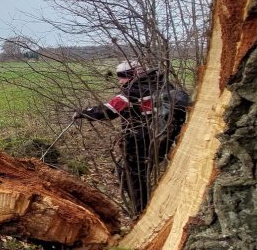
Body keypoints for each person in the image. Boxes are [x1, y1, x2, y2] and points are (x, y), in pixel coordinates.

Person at [74, 60, 189, 214]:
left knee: (130, 177)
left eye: (123, 75)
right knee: (135, 175)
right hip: (163, 141)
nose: (120, 79)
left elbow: (107, 111)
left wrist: (83, 113)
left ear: (134, 73)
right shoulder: (163, 85)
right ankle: (151, 208)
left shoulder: (132, 92)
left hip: (140, 144)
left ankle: (143, 213)